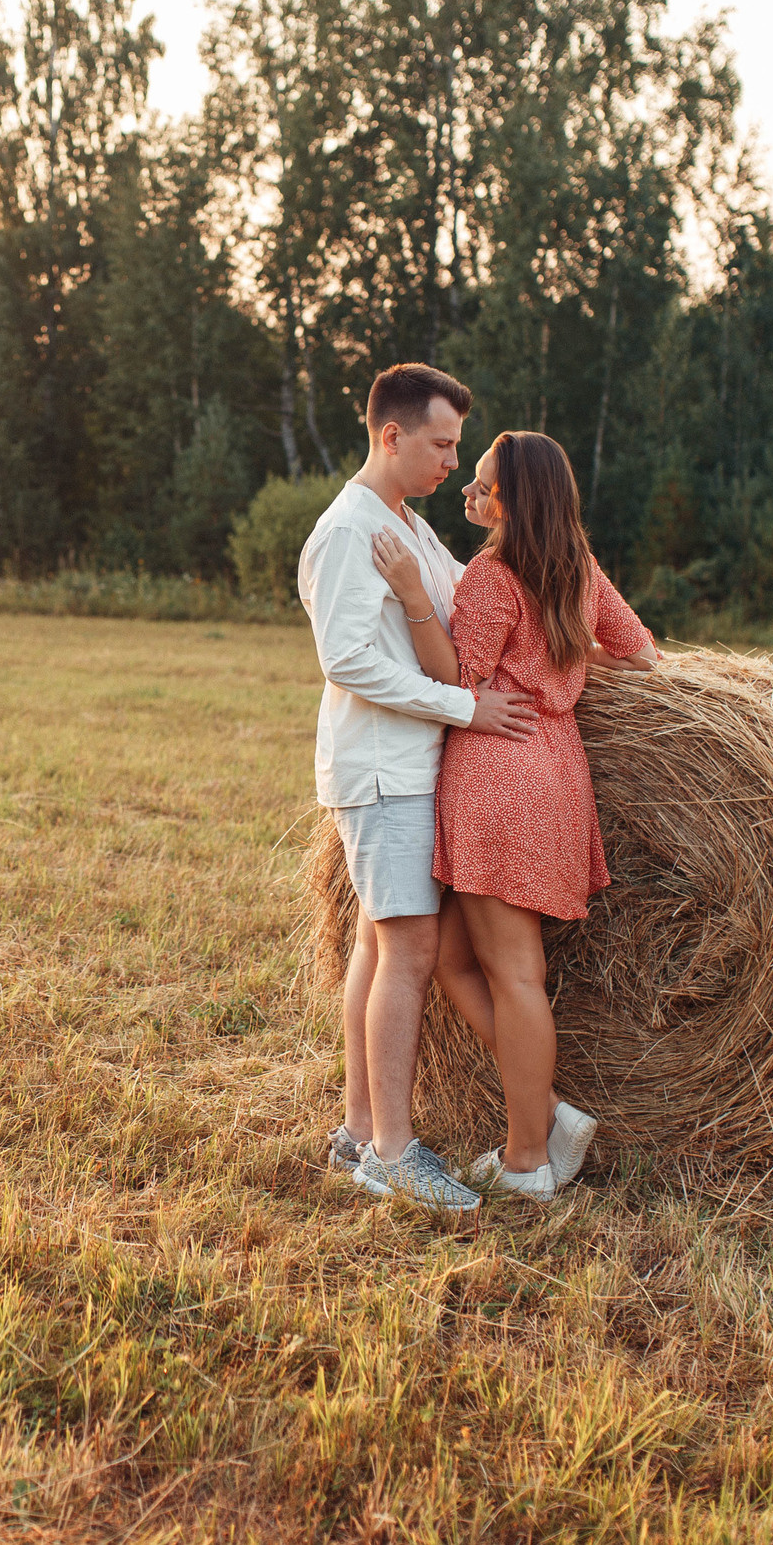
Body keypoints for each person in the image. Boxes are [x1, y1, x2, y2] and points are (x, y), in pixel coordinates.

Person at [376, 429, 657, 1204]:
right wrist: (563, 659)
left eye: (484, 483)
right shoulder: (578, 568)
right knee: (453, 956)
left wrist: (409, 593)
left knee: (514, 973)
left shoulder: (493, 575)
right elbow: (641, 656)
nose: (471, 490)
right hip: (557, 770)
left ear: (514, 499)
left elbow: (453, 677)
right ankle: (551, 1116)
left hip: (499, 774)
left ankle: (528, 1158)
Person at [297, 363, 535, 1214]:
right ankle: (394, 1154)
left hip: (406, 765)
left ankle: (363, 1128)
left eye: (458, 446)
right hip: (385, 771)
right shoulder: (347, 532)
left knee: (375, 944)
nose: (452, 460)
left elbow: (462, 603)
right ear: (390, 435)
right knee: (409, 952)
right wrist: (465, 708)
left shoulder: (409, 524)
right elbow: (350, 661)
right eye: (441, 444)